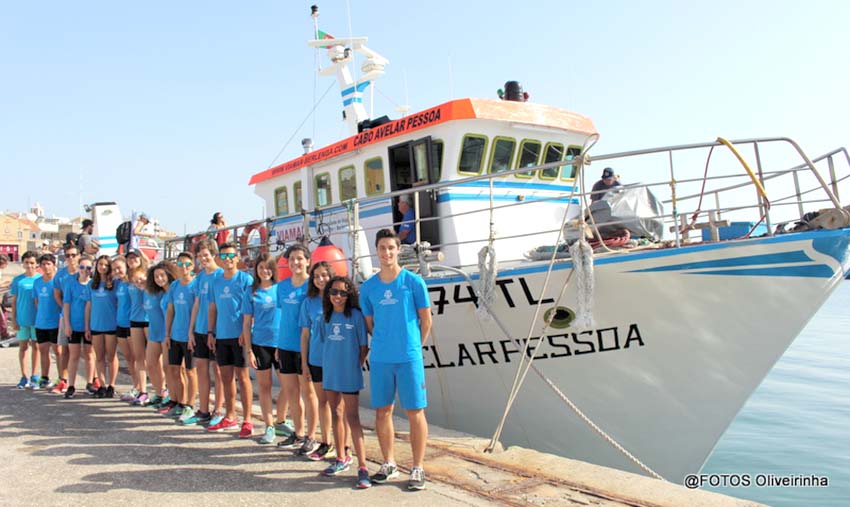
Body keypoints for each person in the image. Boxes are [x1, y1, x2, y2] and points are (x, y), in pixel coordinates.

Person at [360, 228, 432, 490]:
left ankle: (417, 467)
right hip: (380, 359)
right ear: (376, 251)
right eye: (382, 248)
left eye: (391, 248)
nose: (387, 252)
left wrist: (413, 347)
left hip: (408, 358)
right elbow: (370, 325)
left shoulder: (413, 282)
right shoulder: (368, 288)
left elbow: (426, 320)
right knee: (382, 411)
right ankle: (388, 463)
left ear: (398, 250)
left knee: (415, 412)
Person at [319, 276, 370, 488]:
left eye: (342, 293)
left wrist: (352, 365)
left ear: (349, 295)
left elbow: (363, 347)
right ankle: (341, 457)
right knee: (336, 413)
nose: (338, 296)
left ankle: (363, 466)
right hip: (330, 373)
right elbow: (325, 344)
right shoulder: (325, 317)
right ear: (328, 295)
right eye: (333, 292)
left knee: (353, 417)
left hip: (349, 373)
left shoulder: (356, 316)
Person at [207, 243, 254, 436]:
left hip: (239, 336)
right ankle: (230, 416)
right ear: (219, 259)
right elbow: (212, 308)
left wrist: (247, 331)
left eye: (231, 256)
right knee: (225, 377)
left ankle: (248, 419)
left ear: (237, 258)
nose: (227, 260)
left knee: (243, 378)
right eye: (223, 256)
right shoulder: (216, 282)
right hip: (221, 335)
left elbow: (252, 308)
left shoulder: (246, 279)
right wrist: (210, 332)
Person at [275, 244, 317, 453]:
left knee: (309, 393)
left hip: (306, 348)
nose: (296, 263)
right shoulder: (281, 287)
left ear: (308, 261)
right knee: (291, 392)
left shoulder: (313, 286)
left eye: (300, 258)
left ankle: (312, 435)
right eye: (292, 259)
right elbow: (283, 316)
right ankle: (299, 432)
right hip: (285, 345)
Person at [299, 261, 337, 460]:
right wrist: (304, 363)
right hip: (316, 358)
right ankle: (326, 442)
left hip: (337, 359)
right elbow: (305, 335)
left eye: (324, 275)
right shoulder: (309, 302)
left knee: (338, 404)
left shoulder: (339, 299)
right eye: (317, 276)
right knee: (323, 401)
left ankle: (343, 444)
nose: (321, 279)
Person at [186, 239, 225, 426]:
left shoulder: (220, 275)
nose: (203, 259)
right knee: (201, 369)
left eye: (206, 255)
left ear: (213, 255)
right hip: (200, 329)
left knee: (218, 371)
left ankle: (218, 409)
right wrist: (191, 330)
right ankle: (203, 409)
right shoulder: (200, 277)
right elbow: (196, 304)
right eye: (200, 256)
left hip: (217, 331)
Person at [242, 252, 281, 444]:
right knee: (264, 387)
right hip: (260, 344)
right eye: (261, 268)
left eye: (268, 268)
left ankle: (281, 419)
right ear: (256, 270)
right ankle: (269, 425)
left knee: (290, 388)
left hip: (281, 345)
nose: (265, 271)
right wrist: (249, 350)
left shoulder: (280, 289)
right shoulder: (251, 292)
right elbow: (247, 324)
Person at [163, 252, 198, 422]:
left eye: (187, 264)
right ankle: (181, 402)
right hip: (175, 335)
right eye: (180, 264)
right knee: (175, 370)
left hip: (190, 336)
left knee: (191, 372)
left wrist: (192, 333)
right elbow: (170, 310)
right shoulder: (175, 286)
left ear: (192, 266)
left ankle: (190, 405)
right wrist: (167, 333)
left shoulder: (196, 285)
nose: (183, 267)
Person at [51, 243, 81, 394]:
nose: (70, 258)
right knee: (64, 349)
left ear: (79, 256)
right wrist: (65, 308)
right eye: (67, 255)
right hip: (66, 317)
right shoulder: (61, 274)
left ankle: (93, 380)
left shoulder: (84, 272)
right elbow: (57, 294)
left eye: (73, 255)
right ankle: (63, 379)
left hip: (84, 319)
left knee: (90, 352)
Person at [62, 254, 94, 398]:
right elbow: (66, 305)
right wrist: (67, 325)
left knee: (89, 354)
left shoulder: (93, 284)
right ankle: (71, 385)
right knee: (74, 355)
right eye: (82, 267)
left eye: (88, 267)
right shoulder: (71, 284)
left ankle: (90, 383)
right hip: (74, 325)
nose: (85, 270)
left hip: (90, 325)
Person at [145, 262, 176, 410]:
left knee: (167, 366)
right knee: (150, 363)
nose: (159, 278)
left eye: (162, 275)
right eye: (156, 276)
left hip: (166, 334)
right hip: (154, 332)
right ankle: (159, 393)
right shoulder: (155, 292)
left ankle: (172, 396)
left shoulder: (172, 290)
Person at [87, 255, 118, 398]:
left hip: (111, 325)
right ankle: (102, 385)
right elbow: (88, 306)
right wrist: (87, 326)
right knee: (99, 357)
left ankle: (112, 385)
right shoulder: (92, 284)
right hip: (96, 325)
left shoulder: (115, 283)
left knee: (111, 356)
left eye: (106, 265)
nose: (103, 267)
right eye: (100, 264)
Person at [10, 251, 41, 388]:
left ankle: (34, 376)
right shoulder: (18, 280)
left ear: (37, 264)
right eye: (27, 262)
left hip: (37, 320)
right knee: (23, 347)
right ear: (23, 264)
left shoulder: (40, 279)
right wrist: (14, 320)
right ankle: (24, 376)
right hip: (22, 319)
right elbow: (14, 301)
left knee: (36, 347)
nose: (29, 265)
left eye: (32, 263)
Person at [33, 253, 62, 390]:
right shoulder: (37, 282)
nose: (45, 267)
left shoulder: (58, 281)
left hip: (56, 322)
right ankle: (44, 377)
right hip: (41, 323)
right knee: (43, 350)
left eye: (48, 264)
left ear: (54, 265)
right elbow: (37, 301)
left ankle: (62, 378)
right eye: (43, 264)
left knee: (58, 351)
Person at [112, 256, 138, 401]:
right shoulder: (118, 283)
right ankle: (135, 386)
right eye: (114, 268)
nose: (117, 271)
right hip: (120, 323)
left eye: (119, 268)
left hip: (131, 324)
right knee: (128, 358)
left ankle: (140, 387)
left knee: (137, 358)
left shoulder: (132, 282)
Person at [128, 265, 150, 405]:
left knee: (155, 359)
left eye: (141, 279)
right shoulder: (132, 288)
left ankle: (163, 388)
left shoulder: (151, 288)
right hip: (135, 321)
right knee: (139, 357)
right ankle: (143, 390)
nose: (139, 283)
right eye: (135, 281)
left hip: (149, 322)